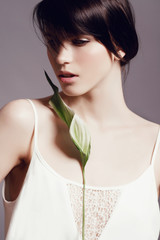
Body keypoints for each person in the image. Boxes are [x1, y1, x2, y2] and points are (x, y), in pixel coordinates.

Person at [0, 0, 160, 239]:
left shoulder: (156, 147)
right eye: (53, 42)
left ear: (119, 45)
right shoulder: (24, 122)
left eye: (79, 41)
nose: (61, 57)